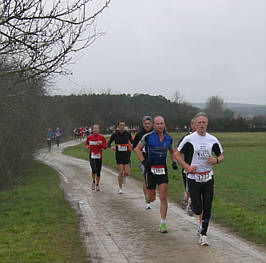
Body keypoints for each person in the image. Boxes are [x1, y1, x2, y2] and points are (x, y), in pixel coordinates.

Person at [174, 112, 224, 246]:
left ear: (207, 124)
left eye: (203, 122)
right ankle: (191, 201)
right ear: (195, 125)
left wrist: (216, 160)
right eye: (199, 122)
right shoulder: (189, 139)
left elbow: (220, 156)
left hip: (208, 177)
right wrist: (186, 166)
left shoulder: (212, 139)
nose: (201, 125)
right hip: (193, 178)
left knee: (208, 206)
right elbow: (176, 154)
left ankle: (203, 234)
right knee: (198, 209)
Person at [135, 116, 177, 233]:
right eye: (157, 124)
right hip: (150, 169)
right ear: (154, 125)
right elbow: (137, 149)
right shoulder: (147, 137)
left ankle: (163, 223)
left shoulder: (168, 138)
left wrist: (173, 161)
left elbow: (172, 151)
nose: (159, 126)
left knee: (163, 195)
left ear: (164, 125)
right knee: (151, 198)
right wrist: (144, 162)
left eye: (161, 123)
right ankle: (147, 198)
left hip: (162, 169)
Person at [107, 120, 133, 194]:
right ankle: (120, 188)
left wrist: (132, 145)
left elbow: (132, 142)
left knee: (127, 173)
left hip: (127, 154)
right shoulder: (115, 134)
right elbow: (108, 143)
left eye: (123, 125)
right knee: (121, 172)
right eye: (121, 125)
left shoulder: (128, 133)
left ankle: (124, 176)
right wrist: (111, 147)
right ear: (118, 126)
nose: (122, 127)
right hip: (119, 155)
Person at [133, 116, 153, 209]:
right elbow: (135, 148)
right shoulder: (139, 134)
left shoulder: (155, 133)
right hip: (143, 160)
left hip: (155, 160)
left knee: (154, 180)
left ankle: (153, 195)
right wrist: (142, 159)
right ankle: (147, 200)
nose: (147, 125)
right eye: (146, 124)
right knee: (145, 179)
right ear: (143, 124)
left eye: (149, 124)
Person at [177, 118, 196, 215]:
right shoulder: (186, 138)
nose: (197, 126)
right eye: (195, 124)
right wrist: (182, 164)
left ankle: (192, 206)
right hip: (188, 168)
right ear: (191, 125)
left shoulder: (205, 138)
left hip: (199, 169)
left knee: (196, 189)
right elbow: (178, 152)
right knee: (189, 189)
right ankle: (185, 198)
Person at [85, 124, 107, 191]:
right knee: (93, 169)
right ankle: (93, 182)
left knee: (98, 171)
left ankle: (97, 184)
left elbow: (105, 147)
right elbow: (86, 144)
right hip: (92, 155)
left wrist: (101, 144)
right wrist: (87, 146)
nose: (95, 129)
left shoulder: (102, 137)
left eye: (97, 128)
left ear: (99, 129)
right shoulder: (89, 137)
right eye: (94, 128)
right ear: (92, 129)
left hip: (99, 155)